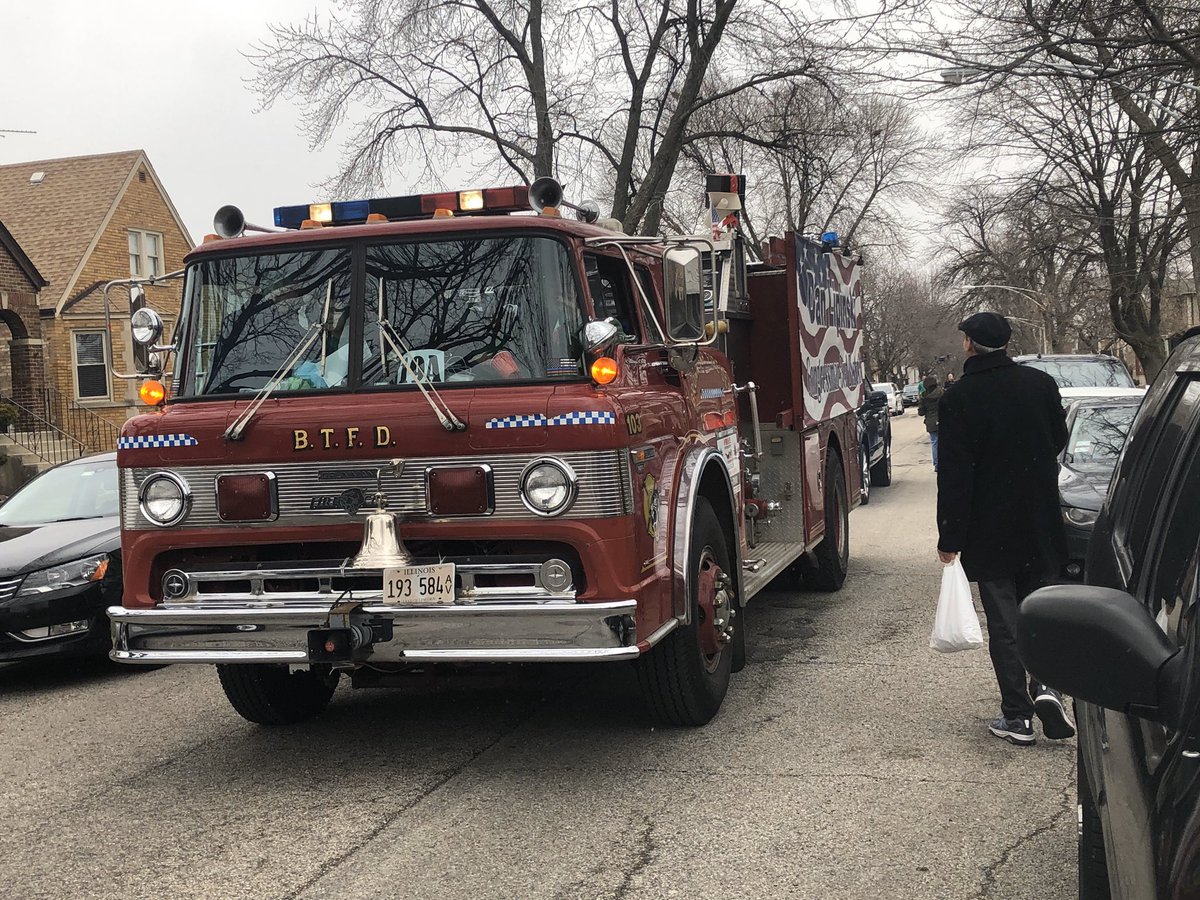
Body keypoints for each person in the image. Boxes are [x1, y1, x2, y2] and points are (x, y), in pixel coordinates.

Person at [935, 312, 1073, 746]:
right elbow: (1058, 439)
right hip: (1040, 520)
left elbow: (955, 475)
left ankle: (1017, 715)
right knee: (1042, 611)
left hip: (989, 527)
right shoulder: (1040, 385)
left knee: (1005, 621)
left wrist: (950, 536)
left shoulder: (958, 399)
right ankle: (1048, 688)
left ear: (971, 345)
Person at [917, 375, 942, 470]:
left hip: (930, 422)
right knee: (943, 442)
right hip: (941, 420)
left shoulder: (923, 396)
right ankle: (944, 462)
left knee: (934, 442)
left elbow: (921, 412)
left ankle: (936, 464)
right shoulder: (941, 392)